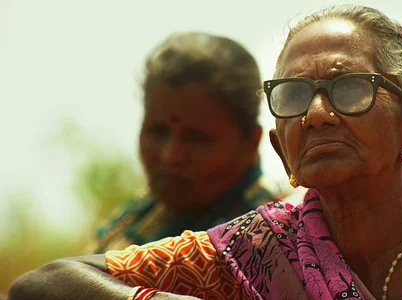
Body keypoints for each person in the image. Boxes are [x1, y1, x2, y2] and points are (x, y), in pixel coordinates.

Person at [8, 5, 402, 300]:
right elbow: (41, 286)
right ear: (281, 147)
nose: (317, 113)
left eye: (350, 88)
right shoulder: (256, 251)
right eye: (295, 95)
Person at [85, 31, 280, 253]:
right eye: (157, 132)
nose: (171, 156)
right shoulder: (135, 221)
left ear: (251, 142)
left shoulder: (269, 244)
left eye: (197, 138)